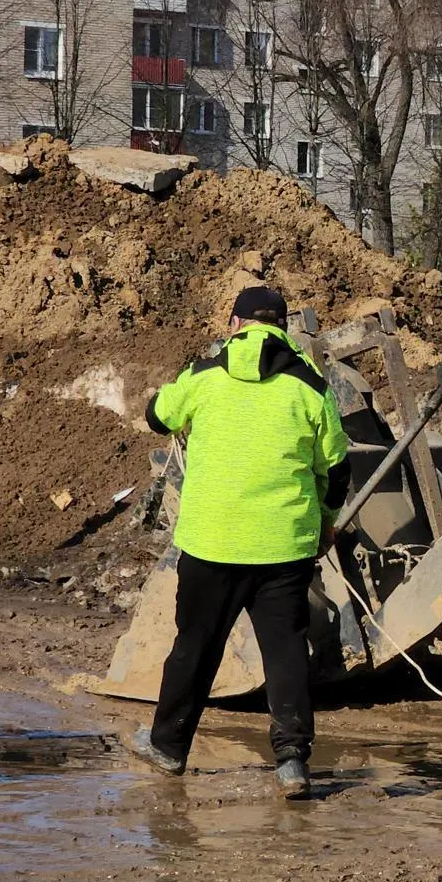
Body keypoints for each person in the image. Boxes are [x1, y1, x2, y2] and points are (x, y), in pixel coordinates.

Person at [128, 285, 350, 799]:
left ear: (234, 323)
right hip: (284, 545)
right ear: (283, 328)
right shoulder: (310, 387)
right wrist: (327, 522)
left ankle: (168, 747)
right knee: (286, 652)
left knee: (195, 647)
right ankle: (292, 763)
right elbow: (336, 468)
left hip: (210, 543)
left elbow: (156, 416)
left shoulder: (203, 376)